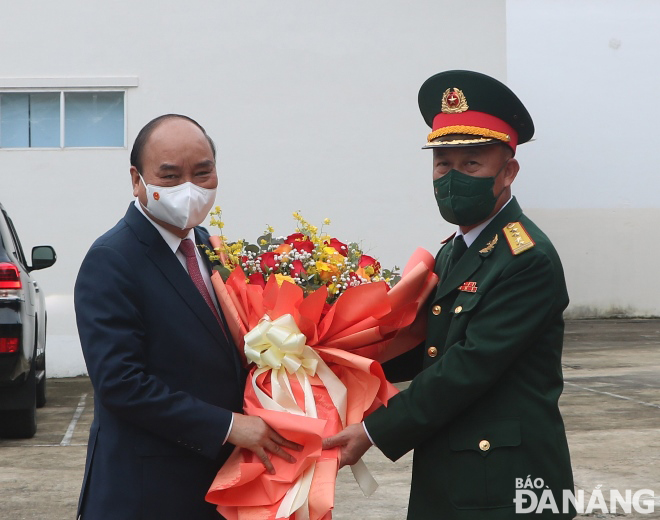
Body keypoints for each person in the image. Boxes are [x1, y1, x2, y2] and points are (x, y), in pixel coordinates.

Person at [324, 71, 575, 519]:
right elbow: (426, 346)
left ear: (508, 172)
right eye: (443, 164)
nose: (453, 177)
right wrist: (330, 360)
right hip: (453, 467)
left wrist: (374, 430)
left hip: (506, 478)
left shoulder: (525, 258)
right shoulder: (455, 251)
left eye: (472, 164)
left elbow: (467, 366)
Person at [75, 114, 300, 520]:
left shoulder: (208, 247)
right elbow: (121, 383)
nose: (189, 189)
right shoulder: (112, 260)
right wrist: (228, 427)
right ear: (136, 180)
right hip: (146, 492)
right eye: (170, 176)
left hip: (219, 487)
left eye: (202, 172)